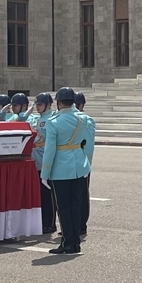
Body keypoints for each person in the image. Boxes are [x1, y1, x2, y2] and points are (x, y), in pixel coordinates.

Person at [41, 88, 90, 254]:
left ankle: (68, 242)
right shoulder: (82, 119)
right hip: (79, 166)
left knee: (64, 207)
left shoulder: (54, 122)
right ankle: (76, 241)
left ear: (59, 102)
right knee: (76, 205)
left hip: (61, 168)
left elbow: (49, 151)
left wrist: (45, 174)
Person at [28, 92, 57, 233]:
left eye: (40, 104)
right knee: (40, 194)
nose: (37, 107)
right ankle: (41, 221)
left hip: (46, 159)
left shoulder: (52, 118)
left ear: (48, 105)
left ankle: (49, 223)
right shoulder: (37, 119)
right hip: (36, 159)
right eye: (36, 104)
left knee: (48, 196)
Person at [73, 92, 96, 241]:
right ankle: (72, 225)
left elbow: (88, 145)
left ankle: (81, 225)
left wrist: (86, 163)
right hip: (70, 163)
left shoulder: (87, 121)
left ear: (81, 106)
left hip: (82, 163)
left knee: (81, 196)